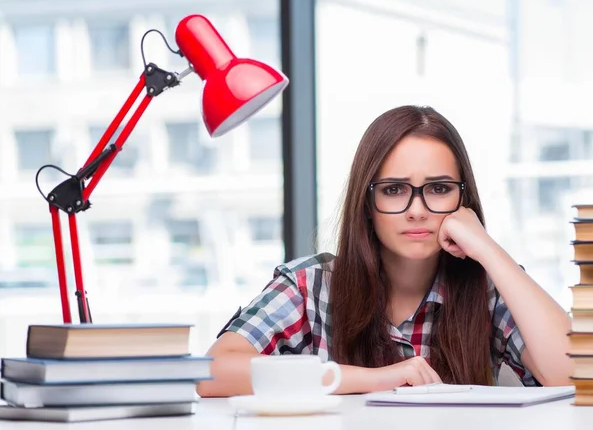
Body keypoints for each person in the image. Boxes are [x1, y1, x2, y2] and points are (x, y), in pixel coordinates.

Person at [198, 105, 572, 397]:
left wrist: (489, 249)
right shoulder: (309, 286)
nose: (417, 209)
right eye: (394, 189)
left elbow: (578, 376)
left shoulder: (487, 289)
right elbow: (212, 371)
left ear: (464, 200)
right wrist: (373, 379)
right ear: (367, 202)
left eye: (439, 188)